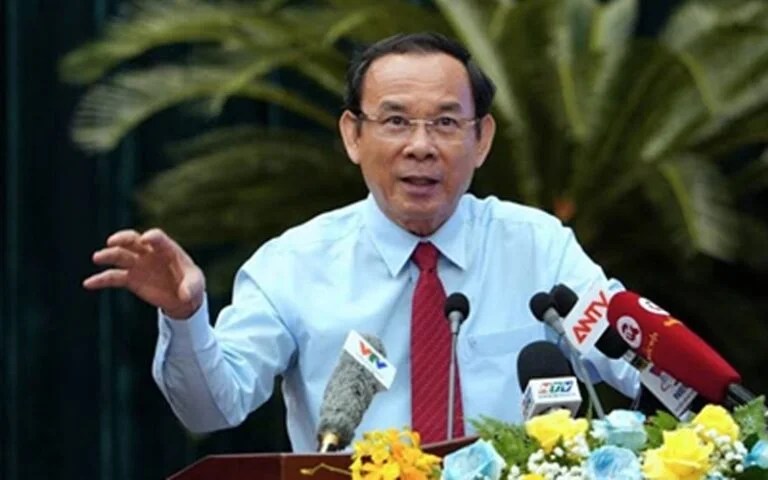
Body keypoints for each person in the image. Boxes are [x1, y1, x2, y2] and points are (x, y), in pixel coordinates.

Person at [84, 32, 639, 452]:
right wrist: (185, 316)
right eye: (395, 121)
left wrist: (677, 375)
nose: (421, 146)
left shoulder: (539, 248)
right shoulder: (293, 265)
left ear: (482, 138)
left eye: (446, 123)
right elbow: (211, 409)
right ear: (353, 135)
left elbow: (638, 363)